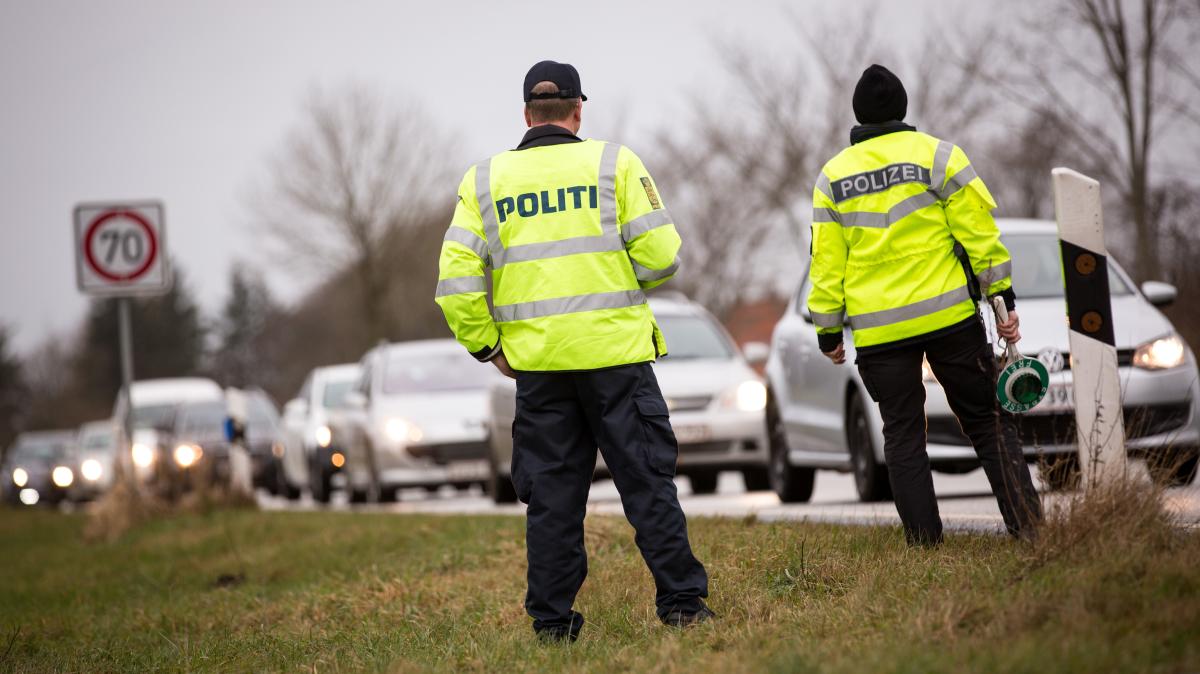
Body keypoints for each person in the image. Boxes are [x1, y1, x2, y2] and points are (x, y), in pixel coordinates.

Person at [434, 60, 712, 641]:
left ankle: (552, 625)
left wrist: (489, 347)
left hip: (540, 371)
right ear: (578, 109)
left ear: (526, 114)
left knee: (553, 501)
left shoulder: (484, 180)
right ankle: (684, 606)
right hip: (617, 359)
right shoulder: (615, 164)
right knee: (646, 482)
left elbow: (455, 283)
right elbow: (663, 256)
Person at [807, 64, 1042, 546]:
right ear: (903, 109)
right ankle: (1030, 530)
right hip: (949, 319)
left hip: (880, 333)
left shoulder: (832, 177)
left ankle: (925, 545)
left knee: (903, 434)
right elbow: (980, 237)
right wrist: (1002, 300)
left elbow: (826, 264)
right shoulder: (940, 156)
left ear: (858, 117)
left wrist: (829, 332)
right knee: (988, 421)